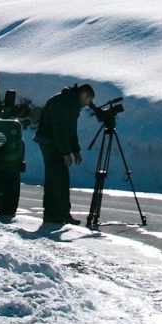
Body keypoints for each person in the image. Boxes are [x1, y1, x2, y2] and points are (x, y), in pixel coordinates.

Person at [35, 83, 95, 225]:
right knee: (55, 177)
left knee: (62, 177)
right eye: (89, 99)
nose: (89, 104)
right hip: (49, 142)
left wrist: (75, 150)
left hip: (56, 142)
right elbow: (60, 130)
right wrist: (66, 153)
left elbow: (71, 130)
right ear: (83, 95)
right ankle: (52, 213)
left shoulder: (72, 104)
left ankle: (62, 213)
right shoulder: (64, 103)